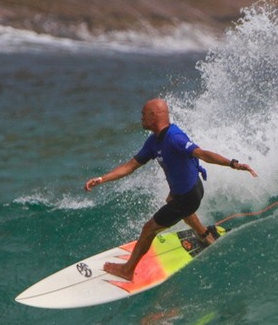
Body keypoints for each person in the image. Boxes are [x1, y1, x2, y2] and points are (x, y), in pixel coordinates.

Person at [85, 98, 257, 280]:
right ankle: (204, 235)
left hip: (189, 196)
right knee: (172, 201)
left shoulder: (175, 138)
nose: (141, 118)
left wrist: (233, 164)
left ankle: (127, 270)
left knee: (148, 229)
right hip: (186, 191)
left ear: (153, 116)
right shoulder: (153, 142)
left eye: (143, 114)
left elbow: (203, 154)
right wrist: (102, 179)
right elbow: (131, 166)